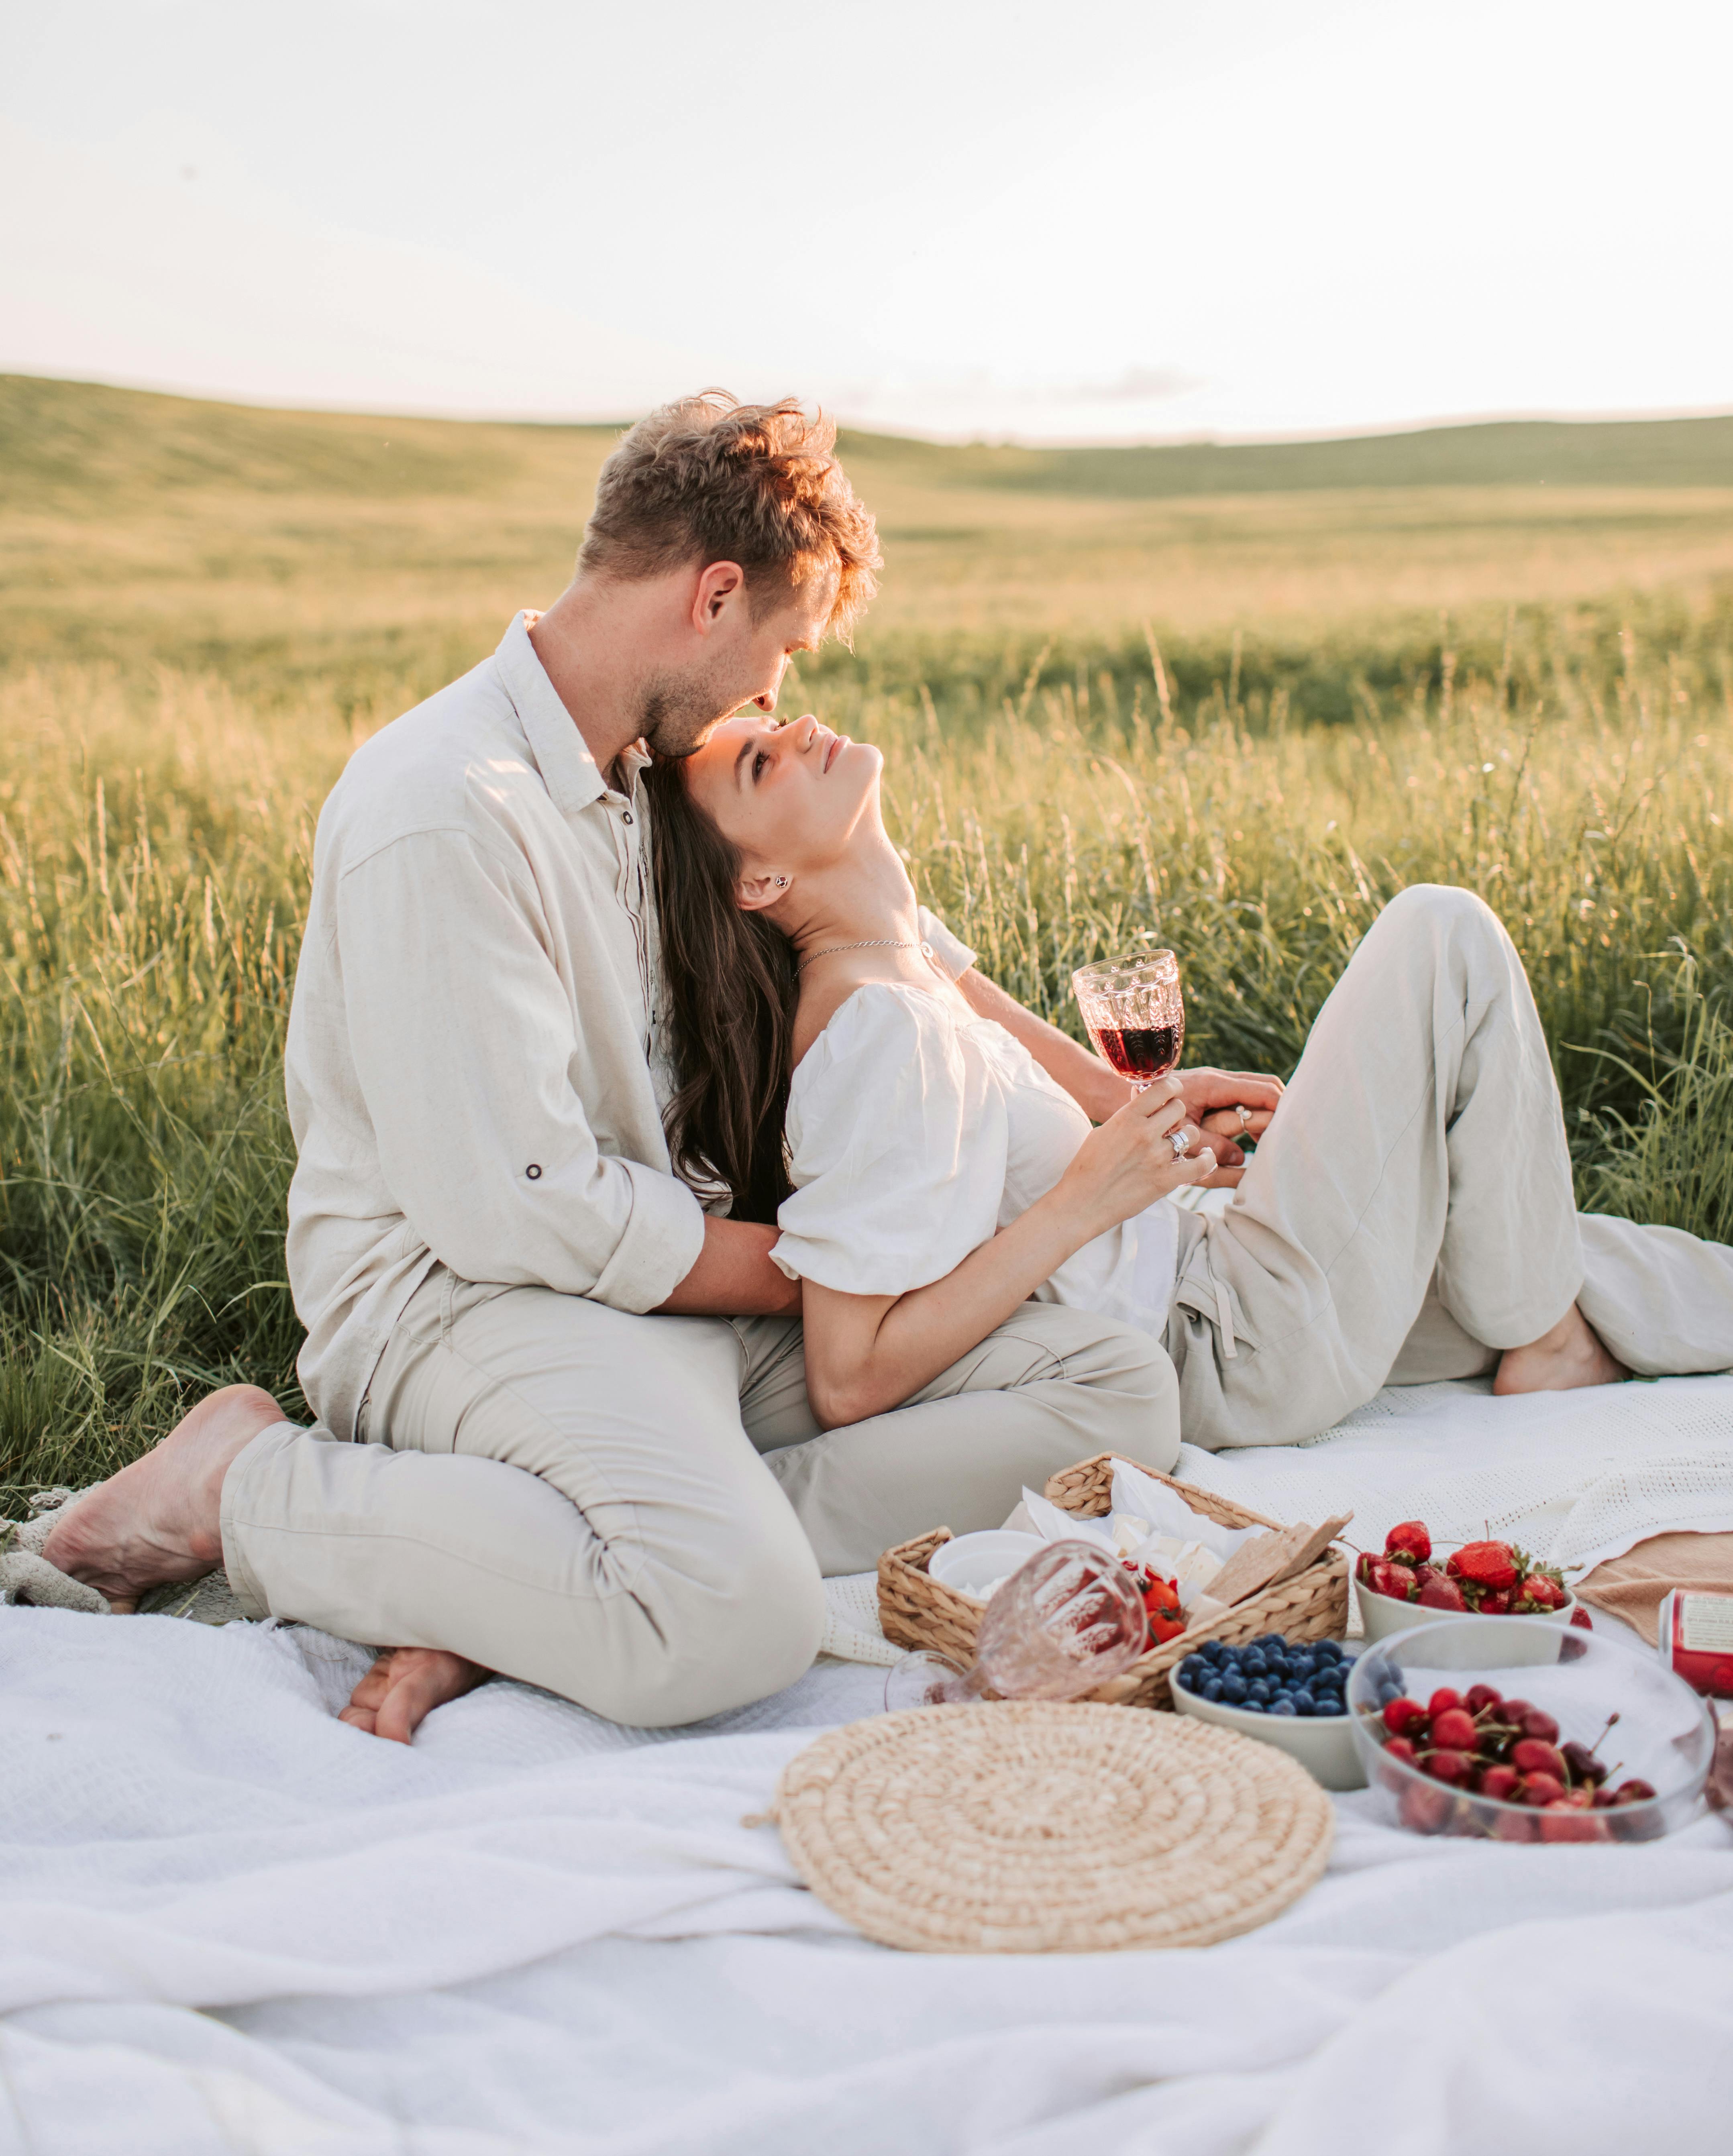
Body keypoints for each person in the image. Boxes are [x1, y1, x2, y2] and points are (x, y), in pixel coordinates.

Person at [44, 394, 1183, 1741]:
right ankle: (243, 1485)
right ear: (712, 596)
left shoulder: (647, 771)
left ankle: (519, 1564)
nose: (777, 698)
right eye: (780, 652)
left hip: (663, 1301)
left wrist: (1107, 1101)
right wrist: (834, 1273)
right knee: (727, 1622)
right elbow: (515, 1207)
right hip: (465, 1302)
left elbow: (896, 931)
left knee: (1114, 1392)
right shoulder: (445, 808)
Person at [653, 705, 1733, 1453]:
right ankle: (1541, 1346)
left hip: (1214, 1259)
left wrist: (1143, 1118)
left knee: (1568, 1247)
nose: (793, 728)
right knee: (1437, 931)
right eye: (759, 764)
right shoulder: (873, 1036)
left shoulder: (897, 964)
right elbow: (849, 1377)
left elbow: (949, 973)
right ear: (762, 878)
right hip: (1226, 1333)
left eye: (767, 720)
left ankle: (1542, 1322)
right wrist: (1097, 1189)